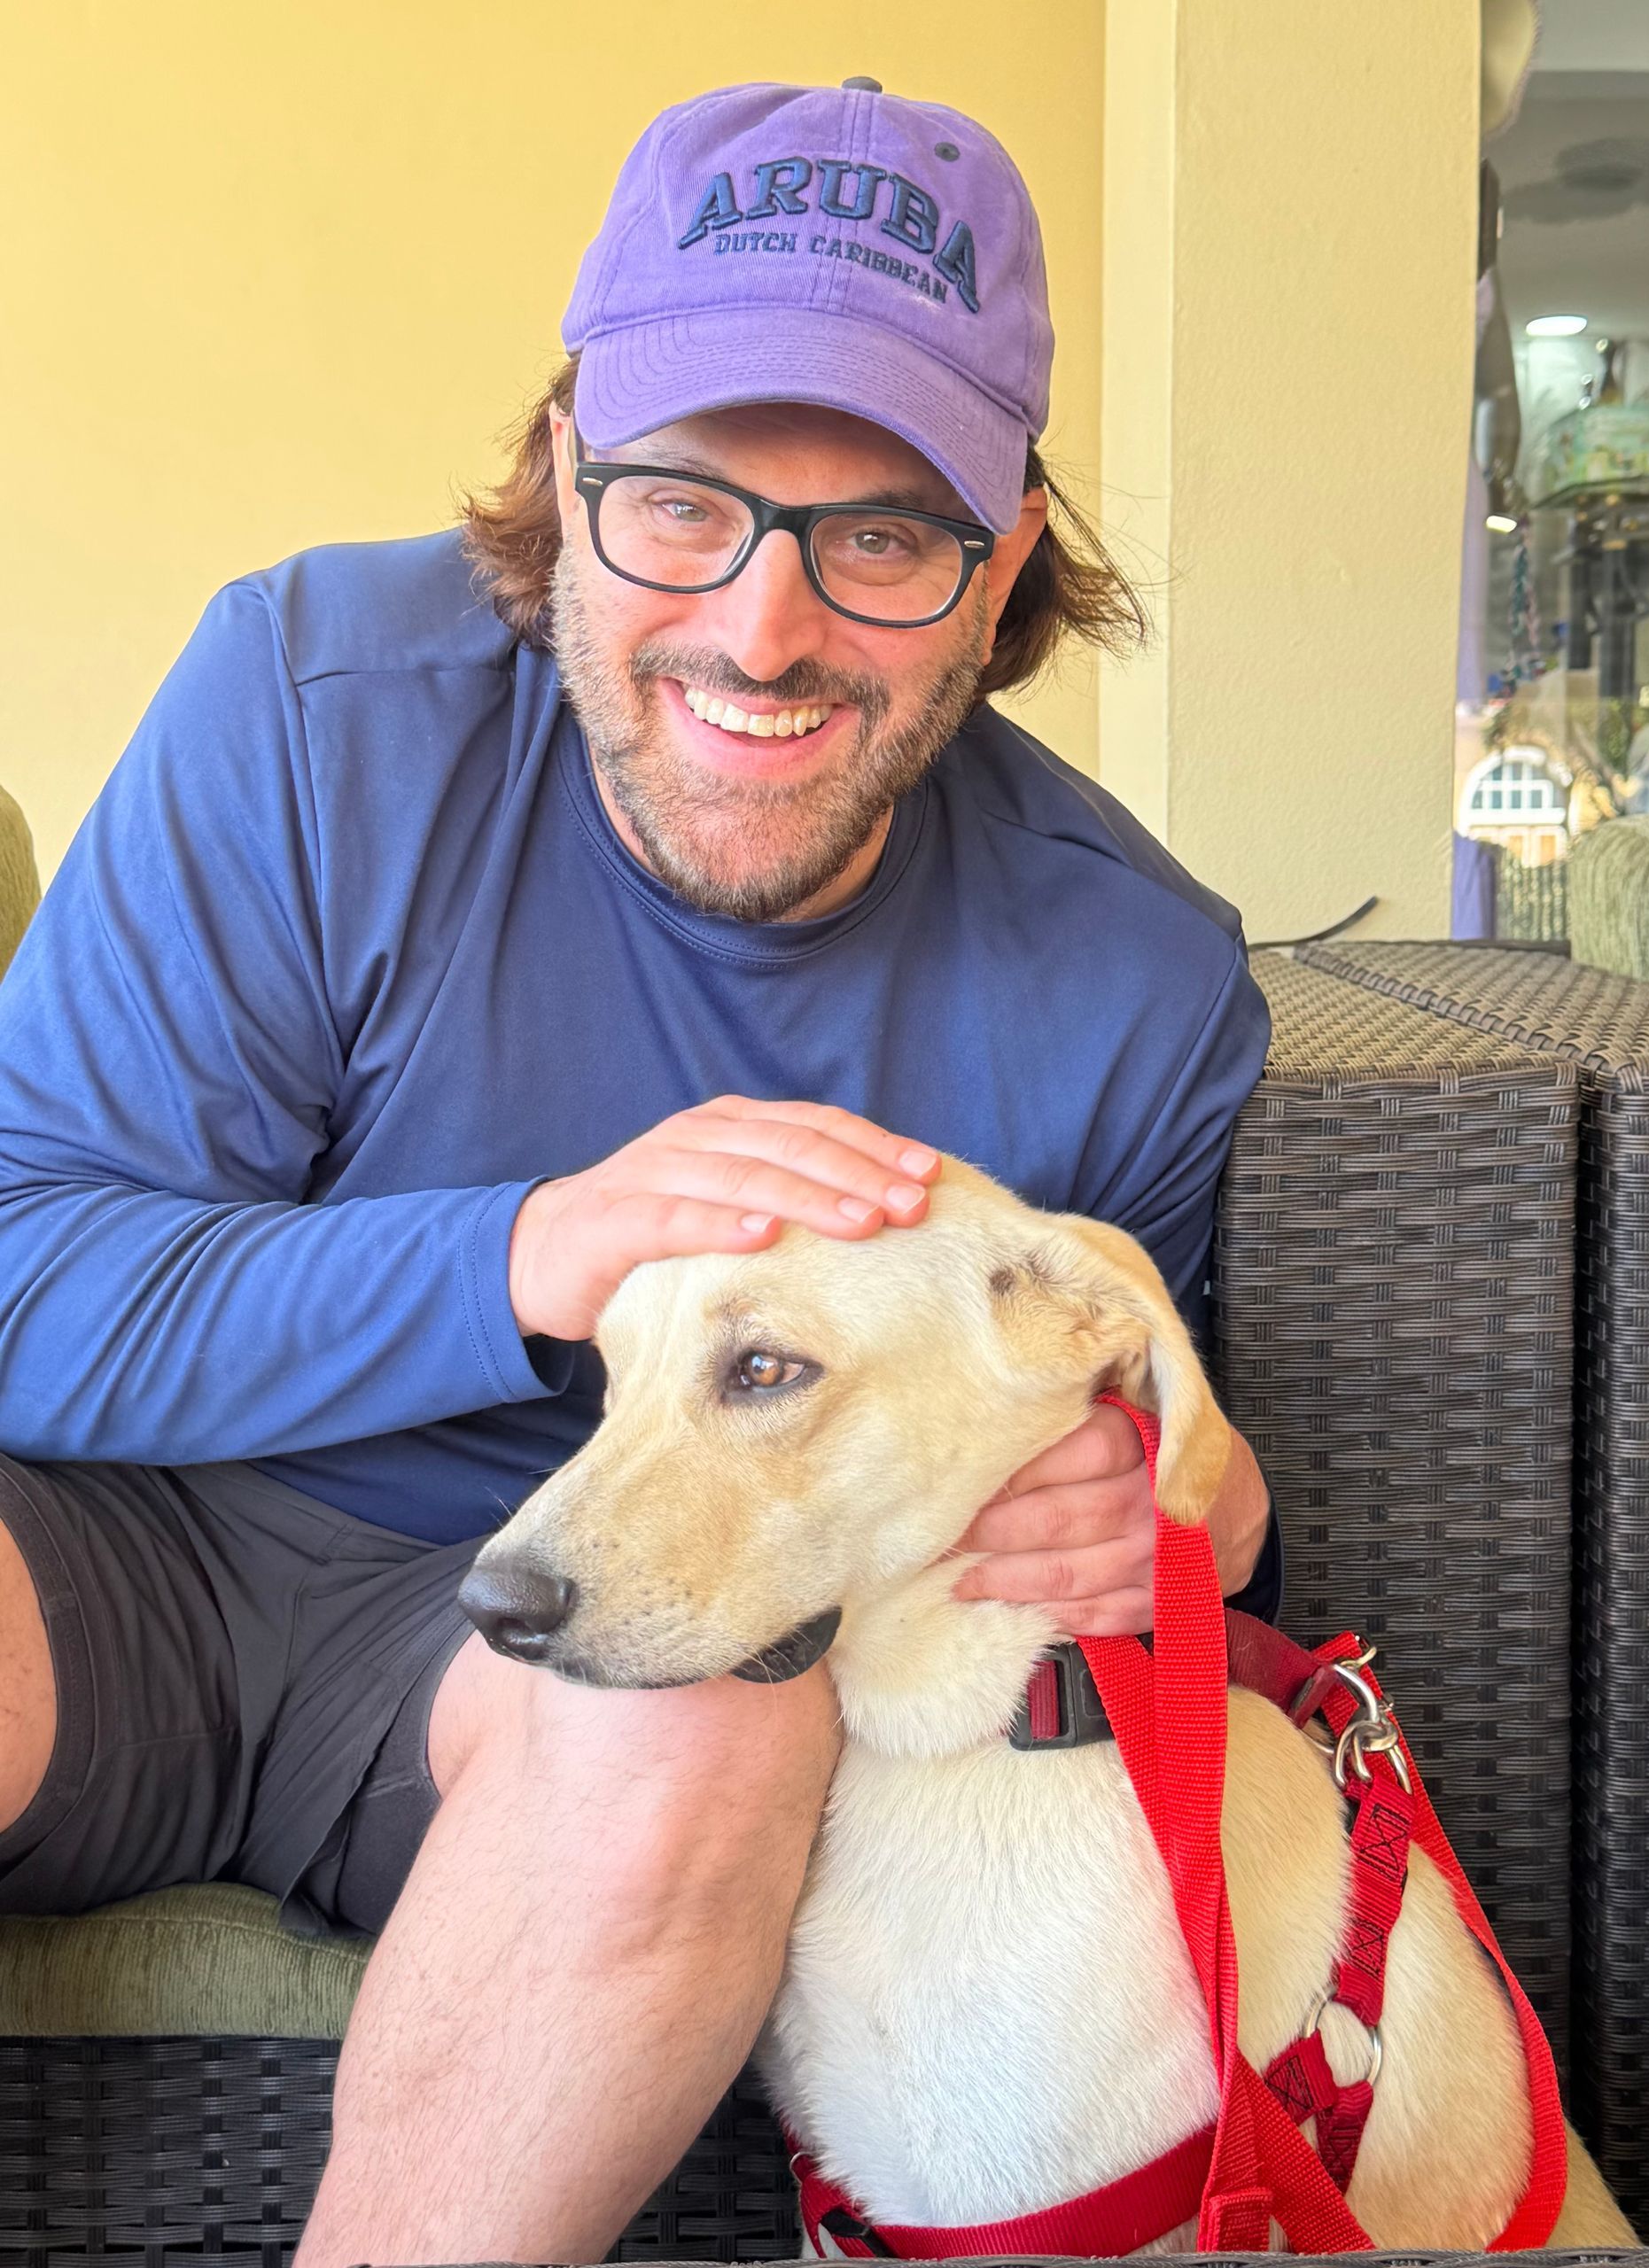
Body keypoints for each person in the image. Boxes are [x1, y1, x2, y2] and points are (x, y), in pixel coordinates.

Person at [0, 76, 1276, 2264]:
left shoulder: (1133, 980)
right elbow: (24, 1272)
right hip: (126, 1536)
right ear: (564, 469)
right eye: (681, 503)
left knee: (697, 1717)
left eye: (883, 537)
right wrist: (530, 1251)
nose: (763, 632)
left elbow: (1174, 1489)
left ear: (1003, 569)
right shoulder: (309, 703)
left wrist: (1177, 1513)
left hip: (546, 1689)